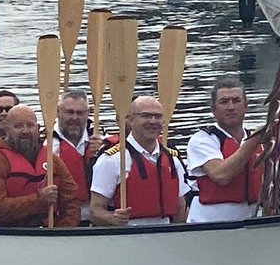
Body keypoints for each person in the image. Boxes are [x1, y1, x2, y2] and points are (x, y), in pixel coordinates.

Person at [89, 95, 187, 227]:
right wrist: (113, 219)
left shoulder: (172, 159)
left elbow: (180, 208)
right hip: (128, 234)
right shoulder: (112, 160)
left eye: (158, 116)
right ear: (131, 120)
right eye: (146, 116)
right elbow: (95, 210)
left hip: (166, 234)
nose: (153, 121)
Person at [0, 105, 78, 228]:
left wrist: (64, 230)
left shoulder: (52, 159)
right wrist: (38, 200)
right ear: (7, 130)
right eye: (18, 126)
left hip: (49, 233)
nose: (25, 131)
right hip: (6, 234)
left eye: (30, 125)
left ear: (38, 128)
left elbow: (71, 199)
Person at [185, 77, 266, 223]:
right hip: (209, 224)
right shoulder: (201, 140)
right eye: (224, 102)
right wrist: (253, 141)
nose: (230, 107)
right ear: (213, 110)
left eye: (236, 101)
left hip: (251, 222)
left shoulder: (262, 142)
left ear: (245, 106)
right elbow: (221, 175)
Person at [51, 89, 107, 223]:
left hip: (97, 217)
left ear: (88, 114)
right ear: (58, 112)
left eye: (80, 113)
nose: (75, 118)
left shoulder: (104, 142)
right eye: (69, 112)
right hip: (61, 217)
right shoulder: (45, 146)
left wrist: (103, 154)